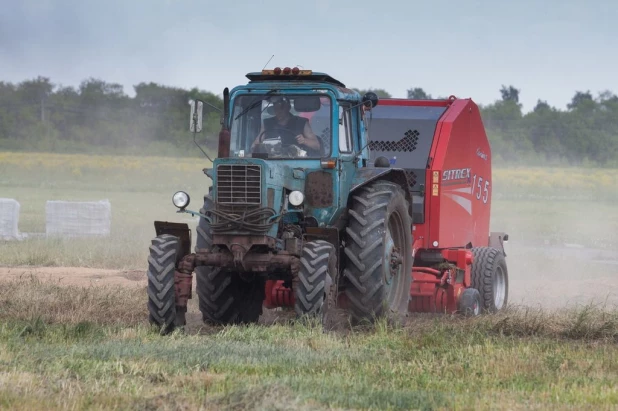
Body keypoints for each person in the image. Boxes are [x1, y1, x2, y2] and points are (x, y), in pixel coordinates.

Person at [250, 96, 321, 154]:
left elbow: (317, 145)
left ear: (288, 108)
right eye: (276, 108)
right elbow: (256, 144)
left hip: (296, 161)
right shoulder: (267, 123)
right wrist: (256, 147)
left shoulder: (302, 122)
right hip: (271, 160)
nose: (278, 111)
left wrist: (304, 140)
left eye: (281, 108)